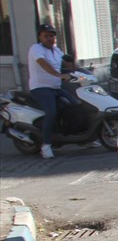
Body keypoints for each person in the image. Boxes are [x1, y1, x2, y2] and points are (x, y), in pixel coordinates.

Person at [28, 24, 76, 159]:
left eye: (51, 36)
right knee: (51, 112)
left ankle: (82, 139)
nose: (49, 39)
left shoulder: (56, 50)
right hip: (41, 88)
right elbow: (43, 64)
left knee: (75, 105)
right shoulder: (36, 49)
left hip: (56, 88)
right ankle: (46, 145)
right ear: (40, 37)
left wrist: (79, 72)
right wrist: (58, 75)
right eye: (46, 36)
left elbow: (66, 62)